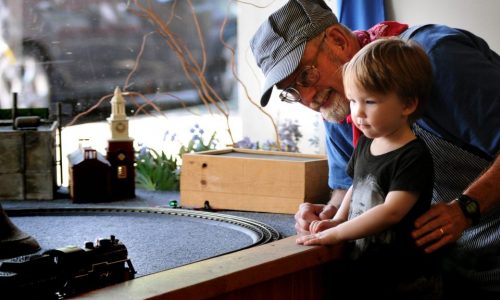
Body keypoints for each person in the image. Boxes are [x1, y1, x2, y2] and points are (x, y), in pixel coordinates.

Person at [250, 0, 499, 299]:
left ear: (338, 41)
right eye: (291, 91)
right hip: (451, 265)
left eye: (305, 76)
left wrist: (466, 207)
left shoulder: (436, 59)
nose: (309, 98)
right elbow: (349, 185)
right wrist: (330, 212)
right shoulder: (338, 105)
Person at [296, 37, 440, 299]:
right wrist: (338, 218)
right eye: (353, 100)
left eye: (370, 102)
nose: (357, 113)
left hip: (402, 278)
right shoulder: (366, 143)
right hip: (365, 267)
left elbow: (391, 212)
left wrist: (339, 233)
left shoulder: (413, 156)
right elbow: (357, 184)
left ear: (407, 104)